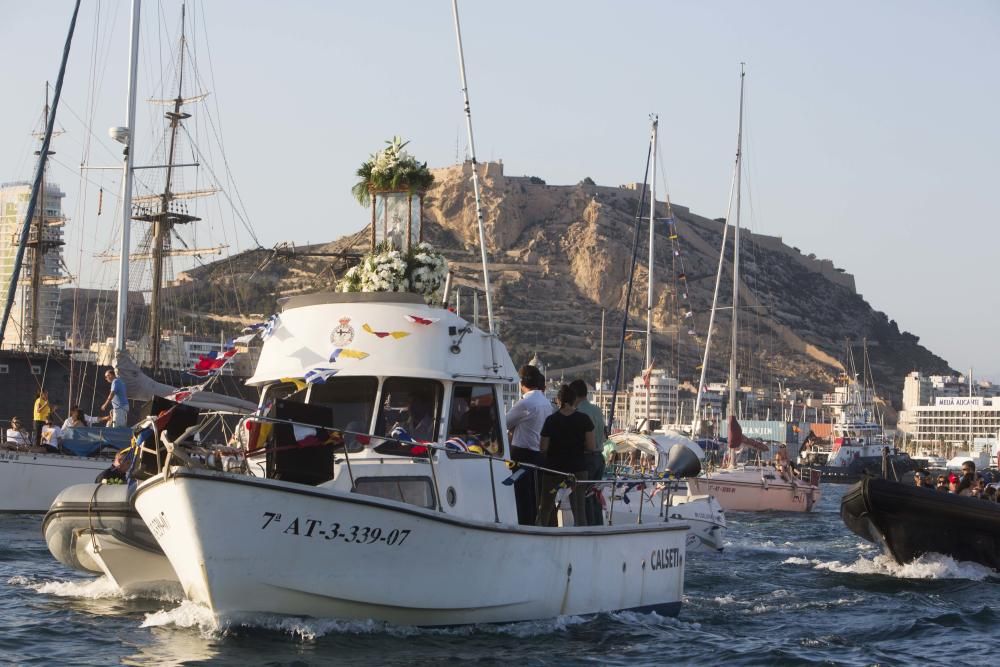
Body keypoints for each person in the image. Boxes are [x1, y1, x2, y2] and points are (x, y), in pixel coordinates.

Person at [536, 384, 595, 527]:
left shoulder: (551, 420)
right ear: (574, 400)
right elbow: (591, 446)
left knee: (545, 507)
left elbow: (543, 447)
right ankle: (581, 538)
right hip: (578, 470)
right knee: (579, 510)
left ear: (558, 400)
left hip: (553, 469)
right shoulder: (584, 419)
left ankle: (540, 534)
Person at [505, 365, 552, 525]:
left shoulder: (525, 403)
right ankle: (533, 525)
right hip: (539, 456)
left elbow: (504, 422)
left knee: (522, 496)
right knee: (534, 496)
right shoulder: (546, 403)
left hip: (522, 455)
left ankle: (523, 525)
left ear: (522, 382)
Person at [570, 379, 606, 527]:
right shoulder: (597, 410)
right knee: (594, 496)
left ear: (573, 394)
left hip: (585, 459)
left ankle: (584, 528)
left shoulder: (578, 412)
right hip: (599, 458)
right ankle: (597, 527)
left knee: (580, 497)